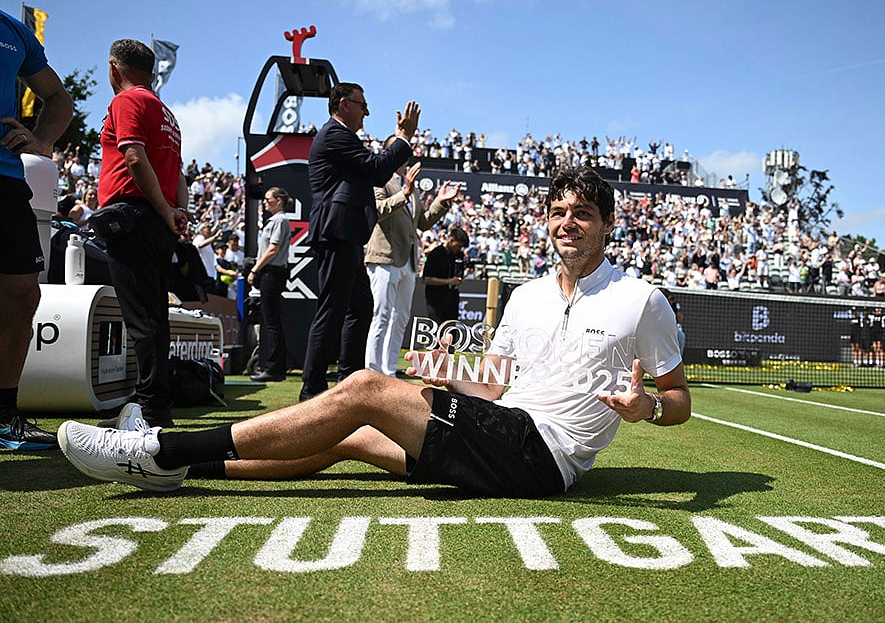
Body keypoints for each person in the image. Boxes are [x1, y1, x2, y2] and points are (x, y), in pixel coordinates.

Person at [56, 166, 691, 497]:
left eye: (583, 213)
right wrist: (445, 371)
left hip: (547, 456)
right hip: (502, 432)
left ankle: (159, 449)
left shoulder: (641, 300)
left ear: (609, 224)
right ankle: (183, 470)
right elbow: (493, 387)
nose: (567, 223)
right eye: (558, 212)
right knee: (351, 437)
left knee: (363, 386)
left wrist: (650, 409)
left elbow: (678, 398)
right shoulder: (526, 297)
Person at [299, 82, 420, 401]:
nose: (367, 112)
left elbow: (374, 171)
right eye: (362, 105)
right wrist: (403, 137)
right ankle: (312, 390)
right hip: (336, 232)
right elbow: (377, 170)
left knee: (361, 308)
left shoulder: (345, 138)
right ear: (343, 104)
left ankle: (349, 382)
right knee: (332, 310)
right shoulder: (334, 135)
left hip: (349, 235)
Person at [96, 39, 188, 428]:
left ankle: (151, 410)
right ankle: (152, 404)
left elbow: (134, 156)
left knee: (142, 320)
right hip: (156, 220)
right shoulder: (166, 112)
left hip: (134, 216)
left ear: (113, 69)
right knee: (153, 317)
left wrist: (167, 210)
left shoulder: (126, 101)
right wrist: (176, 211)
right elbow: (178, 172)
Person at [0, 8, 73, 450]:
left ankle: (4, 417)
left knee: (22, 296)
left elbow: (58, 97)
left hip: (7, 181)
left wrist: (42, 142)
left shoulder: (13, 30)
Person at [364, 154, 458, 376]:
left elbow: (422, 222)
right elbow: (377, 211)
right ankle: (372, 371)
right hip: (385, 256)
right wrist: (405, 193)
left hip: (408, 260)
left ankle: (388, 371)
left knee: (401, 318)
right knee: (381, 315)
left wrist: (440, 201)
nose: (404, 159)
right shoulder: (380, 180)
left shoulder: (410, 187)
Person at [247, 186, 292, 382]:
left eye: (268, 199)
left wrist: (254, 269)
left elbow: (273, 249)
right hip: (271, 272)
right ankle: (275, 367)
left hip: (272, 273)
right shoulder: (275, 221)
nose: (265, 202)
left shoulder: (280, 221)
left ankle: (274, 368)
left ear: (278, 201)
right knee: (270, 321)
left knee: (271, 322)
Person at [422, 227, 470, 323]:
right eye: (458, 246)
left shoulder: (459, 255)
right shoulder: (436, 254)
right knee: (437, 328)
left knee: (451, 328)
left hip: (452, 299)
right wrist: (449, 281)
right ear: (451, 240)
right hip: (435, 300)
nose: (459, 249)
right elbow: (427, 279)